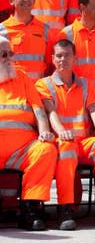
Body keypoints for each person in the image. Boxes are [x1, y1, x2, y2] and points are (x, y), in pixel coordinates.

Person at [36, 38, 95, 230]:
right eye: (58, 56)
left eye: (67, 56)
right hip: (62, 140)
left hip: (84, 142)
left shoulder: (86, 84)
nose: (63, 59)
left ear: (75, 59)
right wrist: (62, 132)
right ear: (52, 59)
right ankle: (66, 208)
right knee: (66, 148)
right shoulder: (43, 84)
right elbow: (50, 112)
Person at [0, 35, 57, 231]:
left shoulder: (22, 77)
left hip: (21, 149)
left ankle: (30, 210)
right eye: (3, 55)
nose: (9, 58)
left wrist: (44, 132)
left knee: (46, 150)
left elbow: (38, 109)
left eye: (10, 54)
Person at [0, 0, 55, 80]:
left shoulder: (45, 30)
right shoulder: (2, 30)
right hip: (13, 93)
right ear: (11, 0)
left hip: (37, 91)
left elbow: (49, 65)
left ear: (34, 0)